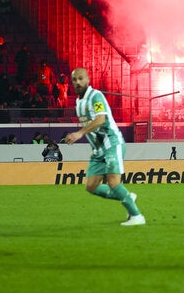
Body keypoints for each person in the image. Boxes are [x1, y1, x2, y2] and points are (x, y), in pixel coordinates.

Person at [62, 67, 145, 226]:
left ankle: (137, 216)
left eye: (81, 78)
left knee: (113, 182)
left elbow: (100, 119)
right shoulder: (78, 102)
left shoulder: (96, 96)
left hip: (112, 143)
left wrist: (80, 133)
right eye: (75, 80)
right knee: (91, 186)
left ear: (88, 79)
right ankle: (127, 196)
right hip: (98, 150)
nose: (78, 82)